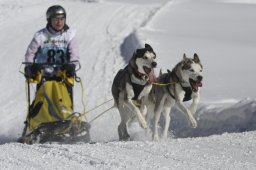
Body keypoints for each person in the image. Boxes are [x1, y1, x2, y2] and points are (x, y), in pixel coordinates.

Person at [24, 5, 79, 80]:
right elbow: (30, 53)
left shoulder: (69, 35)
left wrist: (72, 65)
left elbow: (74, 53)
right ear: (49, 20)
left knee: (64, 92)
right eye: (55, 19)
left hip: (64, 74)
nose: (59, 22)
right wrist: (29, 66)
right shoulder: (40, 36)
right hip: (43, 74)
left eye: (62, 19)